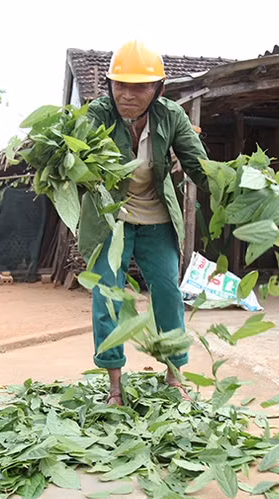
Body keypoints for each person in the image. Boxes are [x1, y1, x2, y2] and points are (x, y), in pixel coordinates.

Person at [77, 40, 208, 406]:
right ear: (109, 85)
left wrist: (234, 187)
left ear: (158, 90)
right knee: (108, 295)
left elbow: (198, 166)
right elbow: (77, 156)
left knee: (167, 293)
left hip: (156, 217)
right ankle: (115, 387)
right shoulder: (98, 115)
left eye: (140, 87)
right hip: (110, 221)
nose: (128, 95)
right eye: (121, 85)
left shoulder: (171, 117)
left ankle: (175, 377)